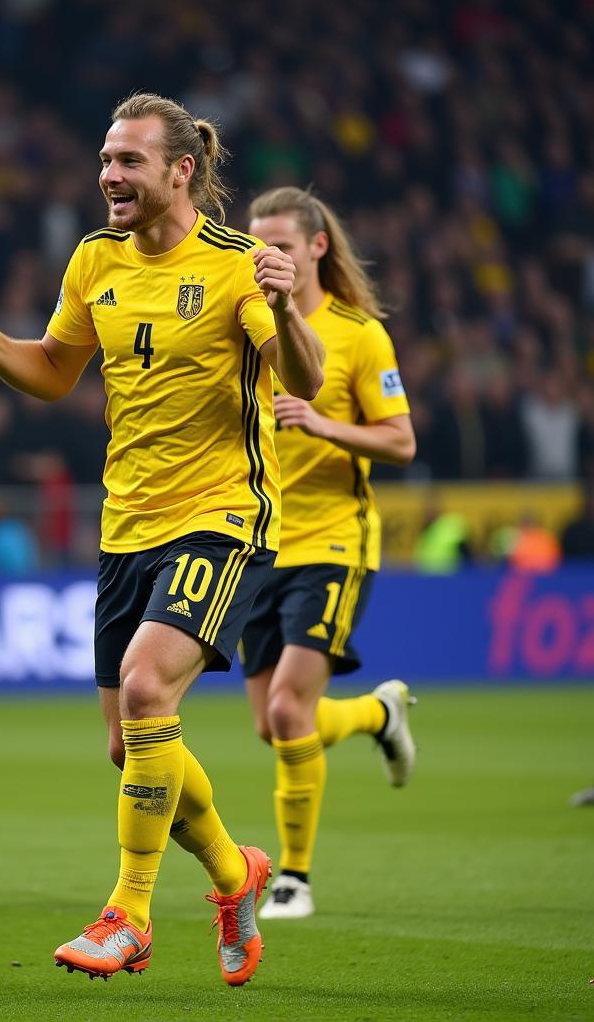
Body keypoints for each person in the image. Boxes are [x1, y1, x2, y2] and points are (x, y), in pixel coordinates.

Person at [0, 94, 325, 986]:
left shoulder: (236, 267)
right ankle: (236, 875)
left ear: (180, 170)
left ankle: (130, 913)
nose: (110, 175)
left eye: (130, 162)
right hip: (126, 526)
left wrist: (291, 307)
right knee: (131, 744)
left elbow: (306, 378)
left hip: (220, 515)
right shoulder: (93, 259)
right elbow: (55, 370)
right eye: (106, 159)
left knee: (150, 690)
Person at [237, 187, 418, 920]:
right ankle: (378, 716)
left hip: (335, 540)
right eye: (257, 245)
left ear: (316, 247)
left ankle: (294, 880)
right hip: (257, 543)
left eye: (280, 244)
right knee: (274, 724)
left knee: (287, 709)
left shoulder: (359, 334)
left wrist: (320, 422)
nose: (266, 257)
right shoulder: (247, 326)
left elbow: (401, 442)